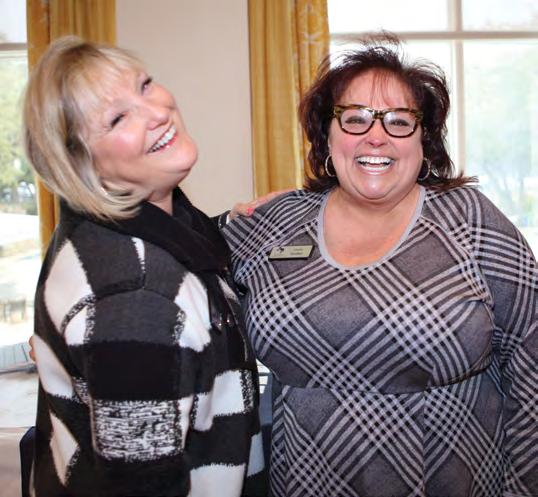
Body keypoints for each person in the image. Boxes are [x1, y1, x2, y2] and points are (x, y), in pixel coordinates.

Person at [223, 35, 537, 497]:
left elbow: (532, 364)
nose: (376, 135)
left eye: (399, 121)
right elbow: (180, 258)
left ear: (424, 140)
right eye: (355, 118)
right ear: (326, 136)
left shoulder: (470, 220)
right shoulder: (275, 222)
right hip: (304, 481)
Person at [23, 36, 265, 497]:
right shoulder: (137, 297)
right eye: (117, 118)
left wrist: (238, 222)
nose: (157, 112)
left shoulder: (116, 225)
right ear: (81, 165)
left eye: (145, 85)